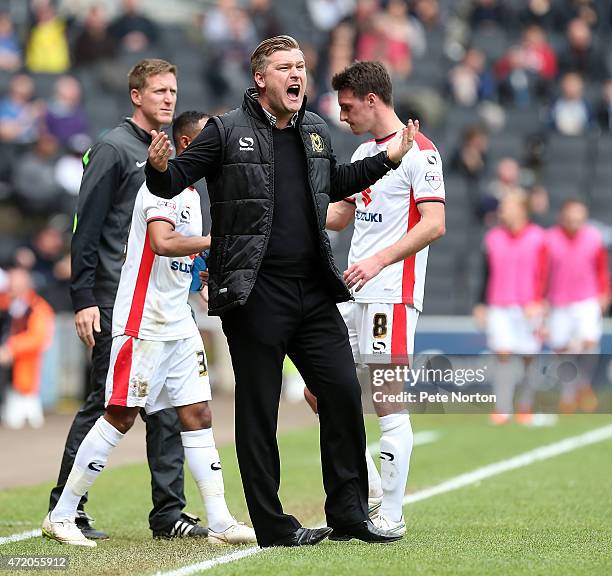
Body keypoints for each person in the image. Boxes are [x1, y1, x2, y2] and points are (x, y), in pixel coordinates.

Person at [145, 35, 415, 547]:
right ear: (260, 78)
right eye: (286, 68)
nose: (297, 75)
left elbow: (332, 181)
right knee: (259, 410)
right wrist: (159, 168)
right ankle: (272, 525)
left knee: (340, 390)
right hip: (254, 290)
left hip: (313, 288)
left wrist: (388, 159)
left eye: (301, 67)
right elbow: (173, 179)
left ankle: (349, 514)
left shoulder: (315, 129)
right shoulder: (225, 131)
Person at [42, 111, 256, 548]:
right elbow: (162, 243)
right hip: (143, 322)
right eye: (207, 143)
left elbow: (181, 257)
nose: (218, 152)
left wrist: (202, 273)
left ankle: (218, 519)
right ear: (183, 143)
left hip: (178, 323)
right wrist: (220, 242)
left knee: (197, 415)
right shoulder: (158, 186)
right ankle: (62, 514)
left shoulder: (193, 196)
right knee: (119, 416)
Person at [48, 59, 208, 541]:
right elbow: (86, 228)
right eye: (158, 90)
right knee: (104, 403)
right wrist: (84, 299)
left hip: (157, 305)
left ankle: (169, 514)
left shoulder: (170, 157)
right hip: (115, 301)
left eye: (173, 91)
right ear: (135, 95)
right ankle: (66, 506)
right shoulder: (114, 148)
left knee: (167, 407)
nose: (167, 99)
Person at [304, 60, 446, 537]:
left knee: (387, 398)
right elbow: (341, 216)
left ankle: (392, 514)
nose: (342, 115)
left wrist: (380, 260)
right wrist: (285, 210)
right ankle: (369, 488)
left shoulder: (421, 152)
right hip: (353, 292)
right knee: (318, 391)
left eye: (347, 106)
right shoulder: (367, 151)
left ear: (371, 99)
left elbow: (434, 224)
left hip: (390, 291)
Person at [473, 191, 547, 425]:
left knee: (528, 357)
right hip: (499, 305)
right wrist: (481, 304)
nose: (502, 209)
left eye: (508, 205)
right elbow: (486, 274)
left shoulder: (539, 238)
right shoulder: (493, 238)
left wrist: (540, 302)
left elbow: (545, 274)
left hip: (528, 307)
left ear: (522, 209)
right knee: (503, 354)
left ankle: (525, 405)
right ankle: (502, 408)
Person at [546, 198, 609, 413]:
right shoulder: (550, 239)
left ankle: (584, 384)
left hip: (587, 298)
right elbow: (543, 272)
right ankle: (568, 395)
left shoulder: (593, 237)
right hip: (559, 301)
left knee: (590, 343)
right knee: (563, 351)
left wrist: (604, 293)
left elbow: (601, 268)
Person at [0, 267, 54, 429]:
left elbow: (38, 338)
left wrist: (11, 348)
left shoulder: (38, 307)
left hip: (23, 363)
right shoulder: (6, 303)